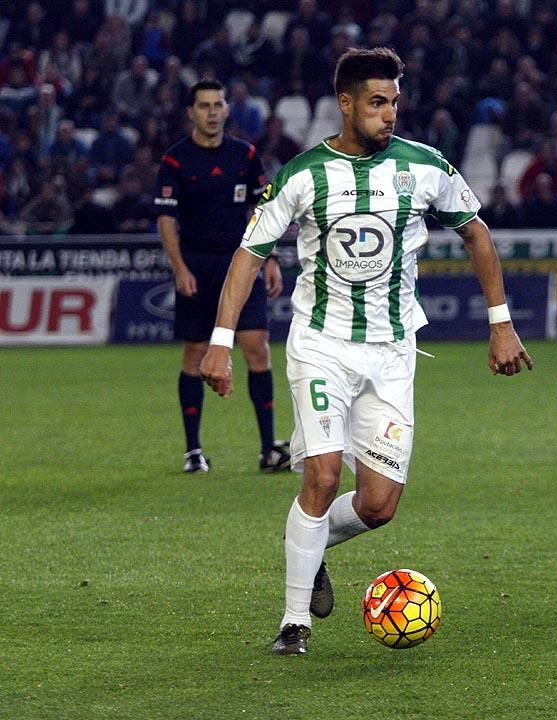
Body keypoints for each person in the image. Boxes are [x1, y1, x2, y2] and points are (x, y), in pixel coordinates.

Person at [198, 48, 533, 656]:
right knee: (323, 476)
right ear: (346, 104)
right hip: (321, 344)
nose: (389, 116)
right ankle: (294, 623)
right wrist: (220, 344)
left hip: (392, 353)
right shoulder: (303, 174)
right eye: (378, 104)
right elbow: (249, 254)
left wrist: (500, 322)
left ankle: (315, 544)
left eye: (395, 103)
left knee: (379, 507)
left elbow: (477, 233)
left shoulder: (423, 166)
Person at [155, 79, 290, 475]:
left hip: (241, 264)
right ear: (191, 112)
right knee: (196, 355)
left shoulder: (244, 155)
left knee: (257, 350)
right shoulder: (176, 160)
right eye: (204, 106)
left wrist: (271, 258)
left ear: (227, 110)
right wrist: (179, 268)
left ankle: (268, 449)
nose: (212, 112)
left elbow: (261, 212)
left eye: (218, 105)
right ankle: (193, 451)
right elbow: (166, 219)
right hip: (198, 266)